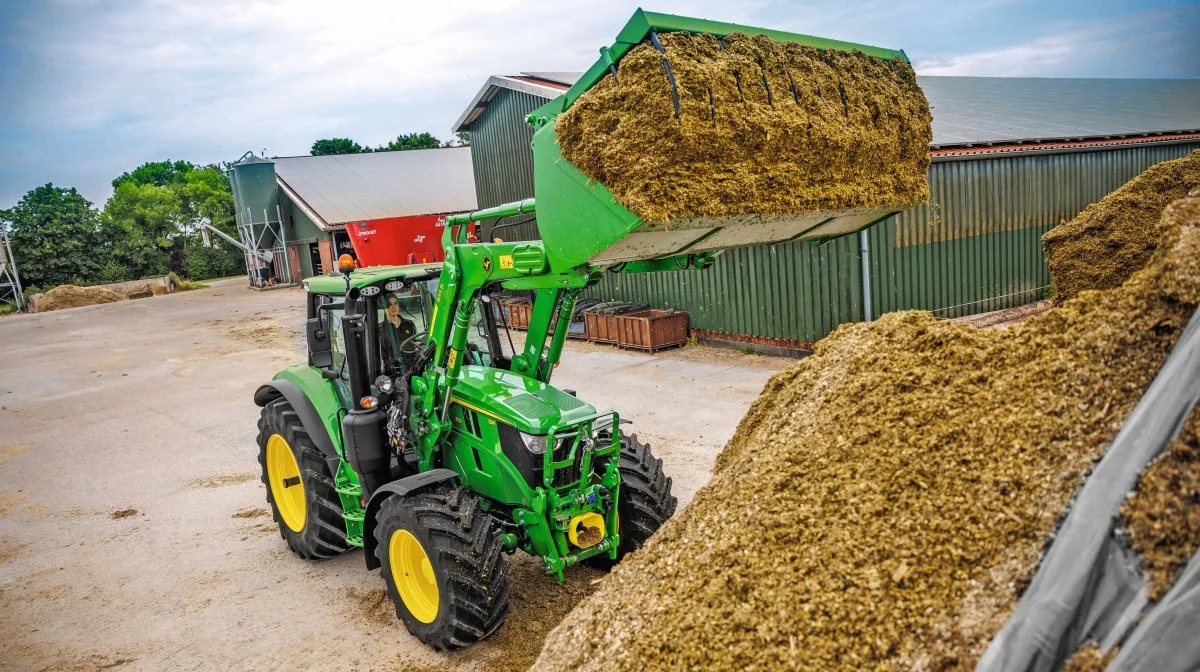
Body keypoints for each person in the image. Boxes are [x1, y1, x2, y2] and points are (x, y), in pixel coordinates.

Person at [379, 293, 417, 373]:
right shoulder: (380, 329)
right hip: (392, 372)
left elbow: (416, 342)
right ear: (384, 308)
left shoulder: (410, 324)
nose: (393, 306)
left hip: (412, 369)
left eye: (395, 303)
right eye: (389, 304)